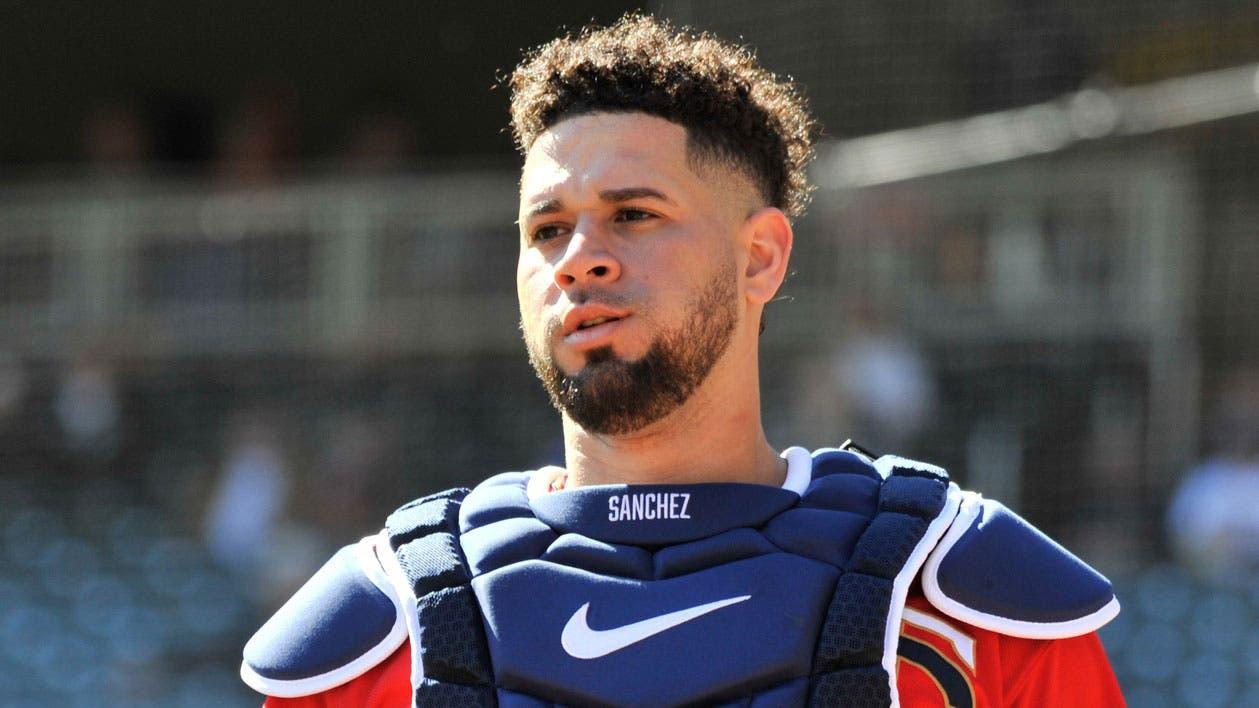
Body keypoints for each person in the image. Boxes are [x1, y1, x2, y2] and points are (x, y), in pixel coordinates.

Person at [240, 15, 1123, 707]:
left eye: (634, 214)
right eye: (547, 229)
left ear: (760, 258)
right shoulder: (388, 628)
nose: (578, 258)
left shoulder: (966, 600)